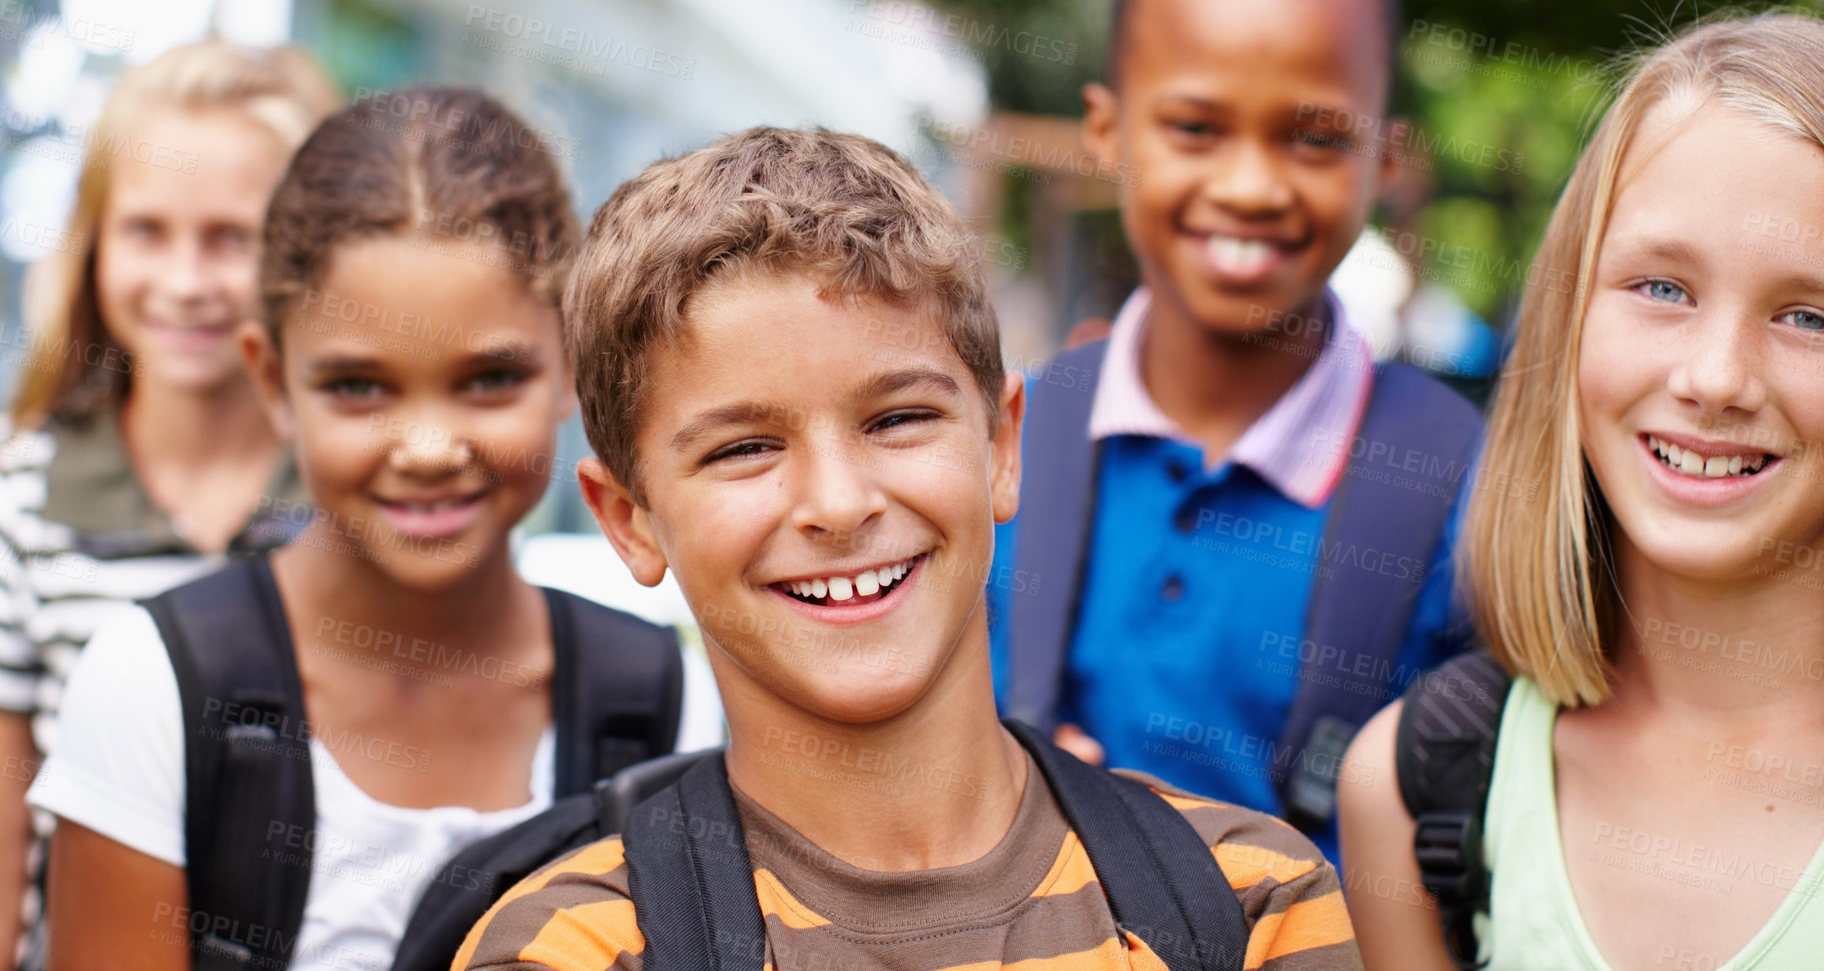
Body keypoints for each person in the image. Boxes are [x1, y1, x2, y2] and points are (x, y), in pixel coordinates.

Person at [454, 126, 1360, 970]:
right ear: (629, 519)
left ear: (1004, 449)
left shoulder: (1254, 900)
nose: (839, 503)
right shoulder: (571, 947)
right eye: (744, 448)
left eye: (898, 418)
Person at [26, 87, 689, 970]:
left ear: (572, 364)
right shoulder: (153, 686)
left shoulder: (666, 703)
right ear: (271, 380)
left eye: (490, 378)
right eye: (358, 387)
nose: (425, 447)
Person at [988, 0, 1481, 863]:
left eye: (1316, 139)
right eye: (1195, 127)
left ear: (1387, 157)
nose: (1252, 185)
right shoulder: (1001, 442)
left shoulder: (1468, 494)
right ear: (1105, 129)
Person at [1339, 12, 1824, 970]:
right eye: (1662, 288)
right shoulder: (1417, 790)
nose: (1717, 377)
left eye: (1809, 313)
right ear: (1567, 315)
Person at [0, 40, 339, 965]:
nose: (186, 281)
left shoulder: (360, 495)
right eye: (147, 230)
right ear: (94, 240)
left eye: (231, 237)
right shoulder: (20, 500)